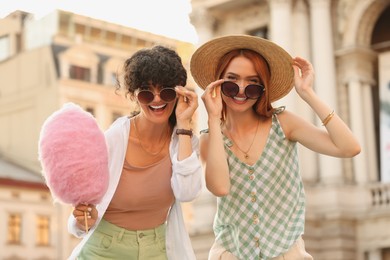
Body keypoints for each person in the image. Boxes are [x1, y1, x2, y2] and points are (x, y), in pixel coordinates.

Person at [190, 35, 361, 260]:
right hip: (231, 253)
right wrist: (212, 118)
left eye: (253, 84)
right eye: (231, 81)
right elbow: (220, 188)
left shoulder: (284, 123)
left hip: (286, 252)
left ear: (263, 88)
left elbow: (349, 148)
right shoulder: (208, 140)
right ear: (217, 83)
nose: (241, 90)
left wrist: (307, 93)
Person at [67, 45, 202, 260]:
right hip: (105, 250)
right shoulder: (114, 139)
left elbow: (188, 193)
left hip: (157, 250)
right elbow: (82, 209)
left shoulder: (184, 141)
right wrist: (83, 219)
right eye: (147, 93)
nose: (157, 100)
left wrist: (184, 124)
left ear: (179, 93)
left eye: (166, 91)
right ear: (133, 96)